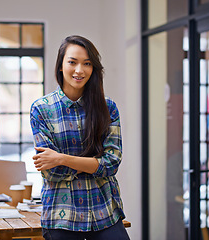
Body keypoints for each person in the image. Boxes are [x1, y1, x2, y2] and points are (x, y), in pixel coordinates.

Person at [30, 35, 130, 240]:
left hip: (104, 213)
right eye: (72, 62)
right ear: (60, 65)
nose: (79, 70)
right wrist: (93, 165)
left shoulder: (107, 107)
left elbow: (111, 164)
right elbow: (51, 172)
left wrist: (62, 158)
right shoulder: (41, 109)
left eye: (87, 64)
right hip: (62, 216)